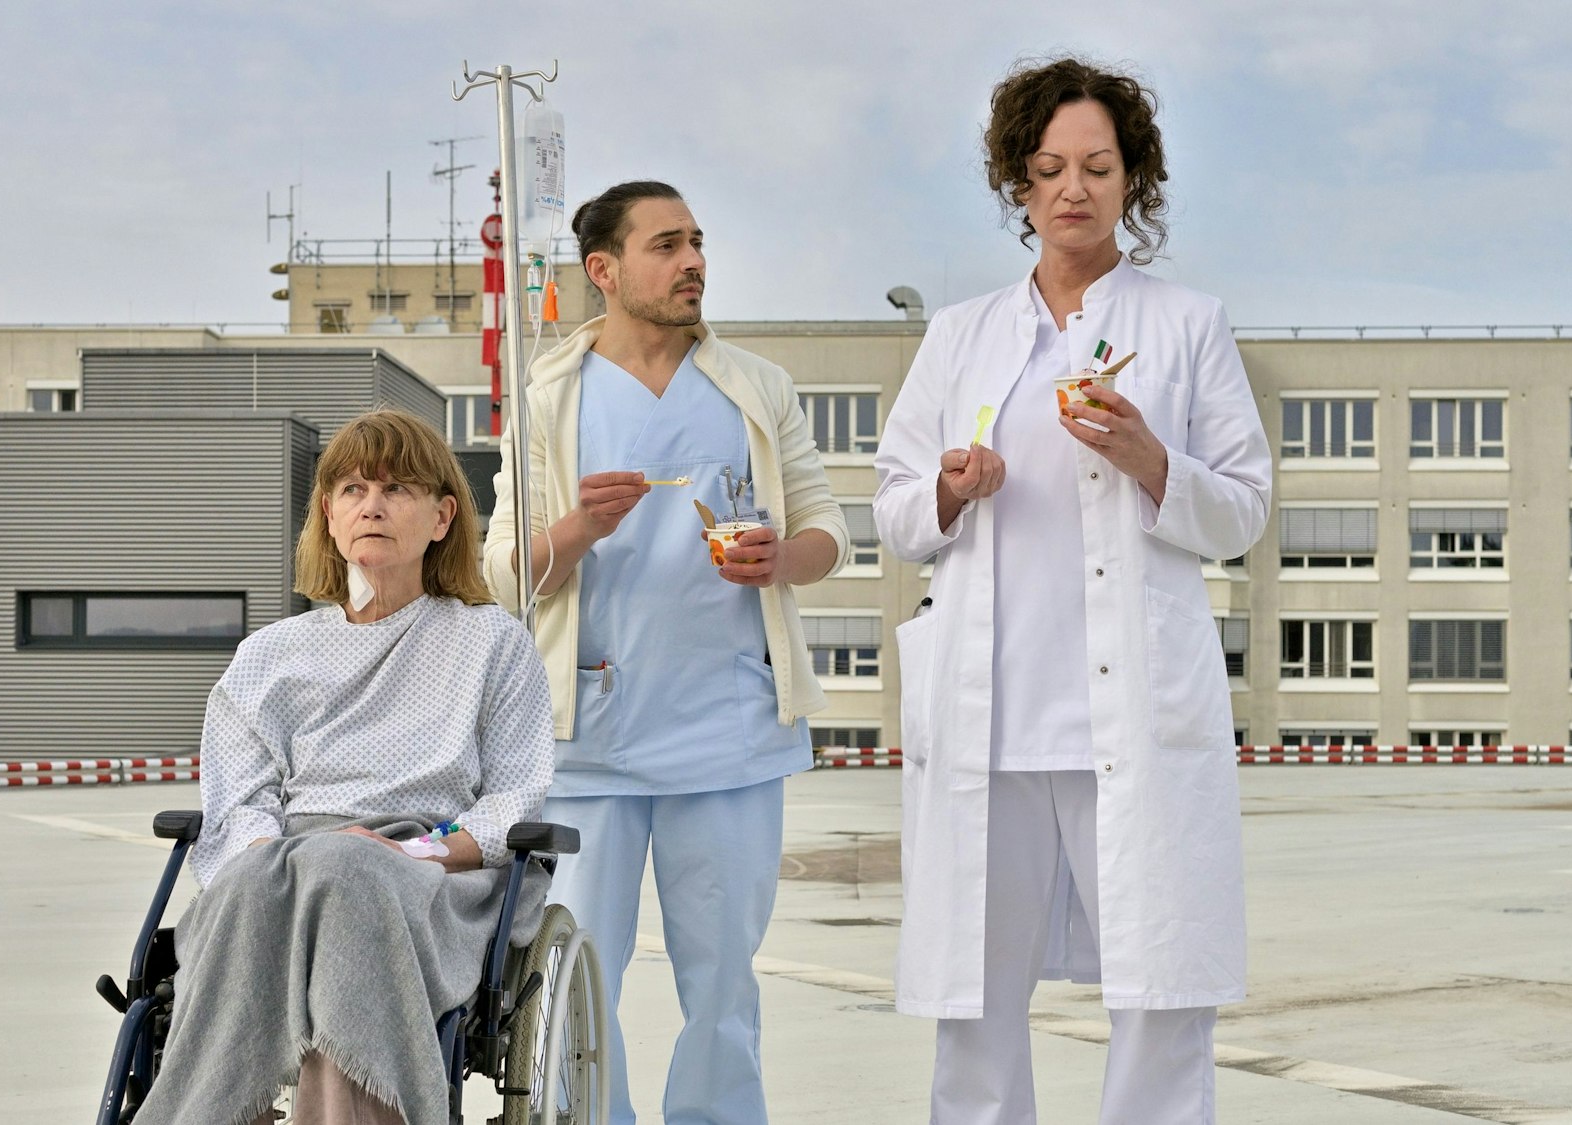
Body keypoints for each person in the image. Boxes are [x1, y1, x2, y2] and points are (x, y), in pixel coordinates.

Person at [873, 58, 1273, 1124]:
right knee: (976, 1007)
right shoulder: (958, 334)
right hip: (991, 717)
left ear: (1132, 179)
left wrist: (1152, 458)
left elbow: (1241, 508)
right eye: (1048, 168)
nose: (1072, 190)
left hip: (1128, 715)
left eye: (1097, 166)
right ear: (1016, 182)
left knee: (1160, 998)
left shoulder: (1186, 325)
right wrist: (948, 492)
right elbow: (893, 504)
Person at [483, 180, 848, 1124]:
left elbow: (826, 532)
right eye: (665, 245)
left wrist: (780, 562)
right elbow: (500, 573)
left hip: (726, 735)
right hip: (591, 740)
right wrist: (577, 528)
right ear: (604, 270)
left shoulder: (754, 387)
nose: (692, 262)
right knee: (577, 984)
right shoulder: (548, 395)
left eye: (697, 242)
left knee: (724, 987)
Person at [135, 409, 555, 1125]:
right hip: (288, 870)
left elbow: (515, 795)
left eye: (397, 488)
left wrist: (408, 850)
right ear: (328, 515)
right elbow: (238, 805)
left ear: (442, 516)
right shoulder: (270, 657)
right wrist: (288, 864)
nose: (372, 505)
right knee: (298, 874)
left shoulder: (491, 642)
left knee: (344, 872)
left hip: (431, 872)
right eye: (353, 488)